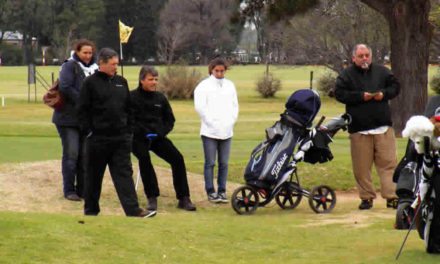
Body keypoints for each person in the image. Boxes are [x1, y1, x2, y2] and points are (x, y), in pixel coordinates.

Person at [77, 48, 154, 218]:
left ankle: (133, 210)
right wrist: (89, 132)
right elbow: (82, 111)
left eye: (117, 64)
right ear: (102, 63)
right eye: (112, 64)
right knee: (93, 177)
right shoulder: (90, 83)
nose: (115, 67)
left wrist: (129, 130)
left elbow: (128, 108)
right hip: (97, 139)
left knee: (124, 174)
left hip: (120, 139)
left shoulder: (122, 82)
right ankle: (91, 211)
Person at [335, 43, 400, 210]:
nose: (364, 59)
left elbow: (395, 87)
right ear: (354, 58)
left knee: (388, 164)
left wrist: (383, 94)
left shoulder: (383, 71)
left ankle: (392, 196)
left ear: (371, 56)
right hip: (360, 128)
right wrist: (360, 97)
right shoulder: (346, 75)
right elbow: (340, 94)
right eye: (361, 56)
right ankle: (366, 198)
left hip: (383, 127)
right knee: (361, 168)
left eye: (367, 55)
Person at [131, 66, 196, 212]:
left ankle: (184, 198)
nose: (154, 82)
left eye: (156, 79)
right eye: (150, 79)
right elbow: (129, 121)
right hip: (138, 138)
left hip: (158, 137)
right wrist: (143, 132)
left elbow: (170, 120)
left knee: (177, 159)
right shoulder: (132, 97)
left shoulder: (160, 98)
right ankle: (152, 197)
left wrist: (160, 133)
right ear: (142, 80)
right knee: (144, 158)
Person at [53, 39, 98, 201]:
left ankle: (83, 190)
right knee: (71, 154)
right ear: (77, 52)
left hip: (86, 120)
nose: (87, 56)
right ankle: (69, 190)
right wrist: (84, 101)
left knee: (84, 156)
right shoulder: (69, 66)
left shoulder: (95, 68)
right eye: (84, 52)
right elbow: (65, 87)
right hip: (67, 118)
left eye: (90, 53)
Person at [194, 58, 239, 203]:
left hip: (227, 131)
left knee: (224, 163)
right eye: (217, 71)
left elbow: (234, 106)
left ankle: (222, 190)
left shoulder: (230, 86)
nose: (219, 73)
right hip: (209, 132)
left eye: (222, 71)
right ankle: (210, 191)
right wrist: (212, 123)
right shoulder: (203, 86)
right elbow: (200, 108)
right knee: (210, 162)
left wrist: (230, 122)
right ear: (211, 70)